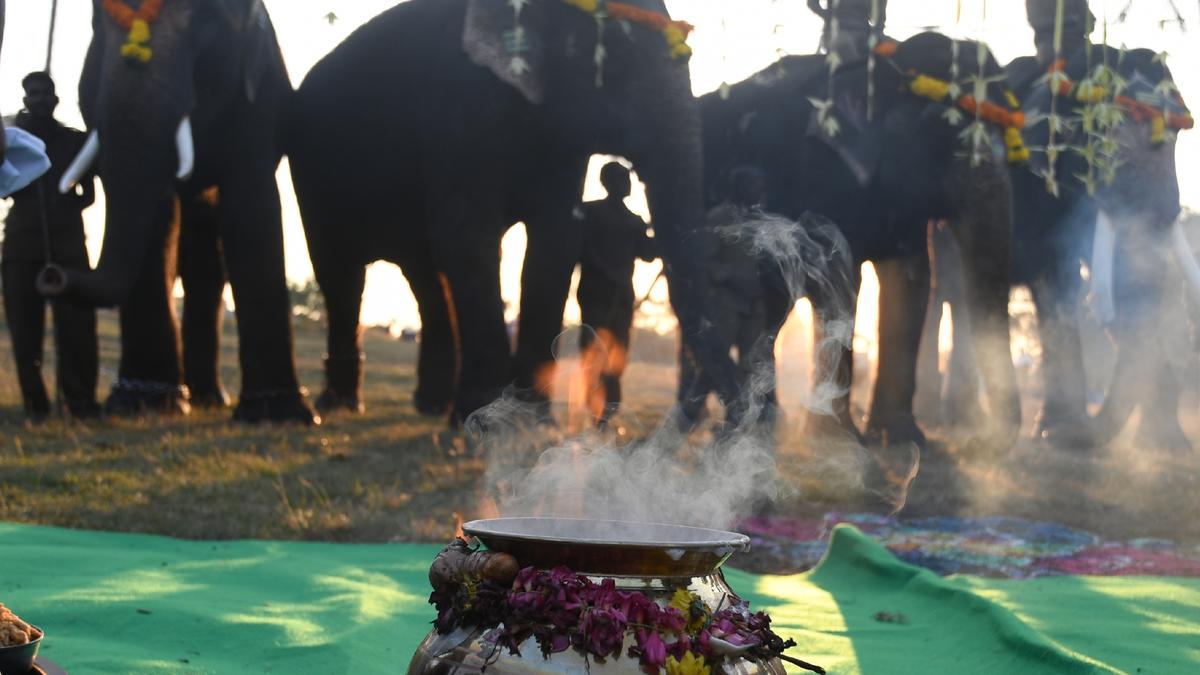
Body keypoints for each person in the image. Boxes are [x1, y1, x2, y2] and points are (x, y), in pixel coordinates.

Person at [2, 72, 100, 421]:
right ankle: (36, 407)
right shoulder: (11, 138)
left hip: (67, 245)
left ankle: (82, 402)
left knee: (77, 330)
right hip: (21, 246)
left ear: (57, 99)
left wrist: (65, 207)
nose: (41, 99)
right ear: (25, 98)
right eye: (34, 94)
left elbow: (88, 192)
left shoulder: (74, 141)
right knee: (25, 333)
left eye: (47, 93)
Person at [575, 162, 658, 428]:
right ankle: (595, 412)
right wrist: (608, 272)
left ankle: (607, 413)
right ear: (608, 182)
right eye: (622, 179)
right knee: (594, 353)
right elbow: (582, 249)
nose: (628, 185)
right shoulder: (591, 213)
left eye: (629, 180)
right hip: (596, 293)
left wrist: (651, 227)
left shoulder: (633, 219)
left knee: (617, 355)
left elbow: (648, 254)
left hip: (621, 296)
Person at [807, 0, 887, 63]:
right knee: (845, 46)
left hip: (865, 33)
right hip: (837, 33)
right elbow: (812, 3)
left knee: (896, 51)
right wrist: (830, 17)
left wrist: (877, 34)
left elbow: (880, 18)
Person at [1026, 0, 1094, 66]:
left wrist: (1072, 25)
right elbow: (1036, 22)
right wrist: (1069, 22)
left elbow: (1090, 22)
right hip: (1048, 46)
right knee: (1048, 54)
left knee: (1099, 53)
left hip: (1077, 44)